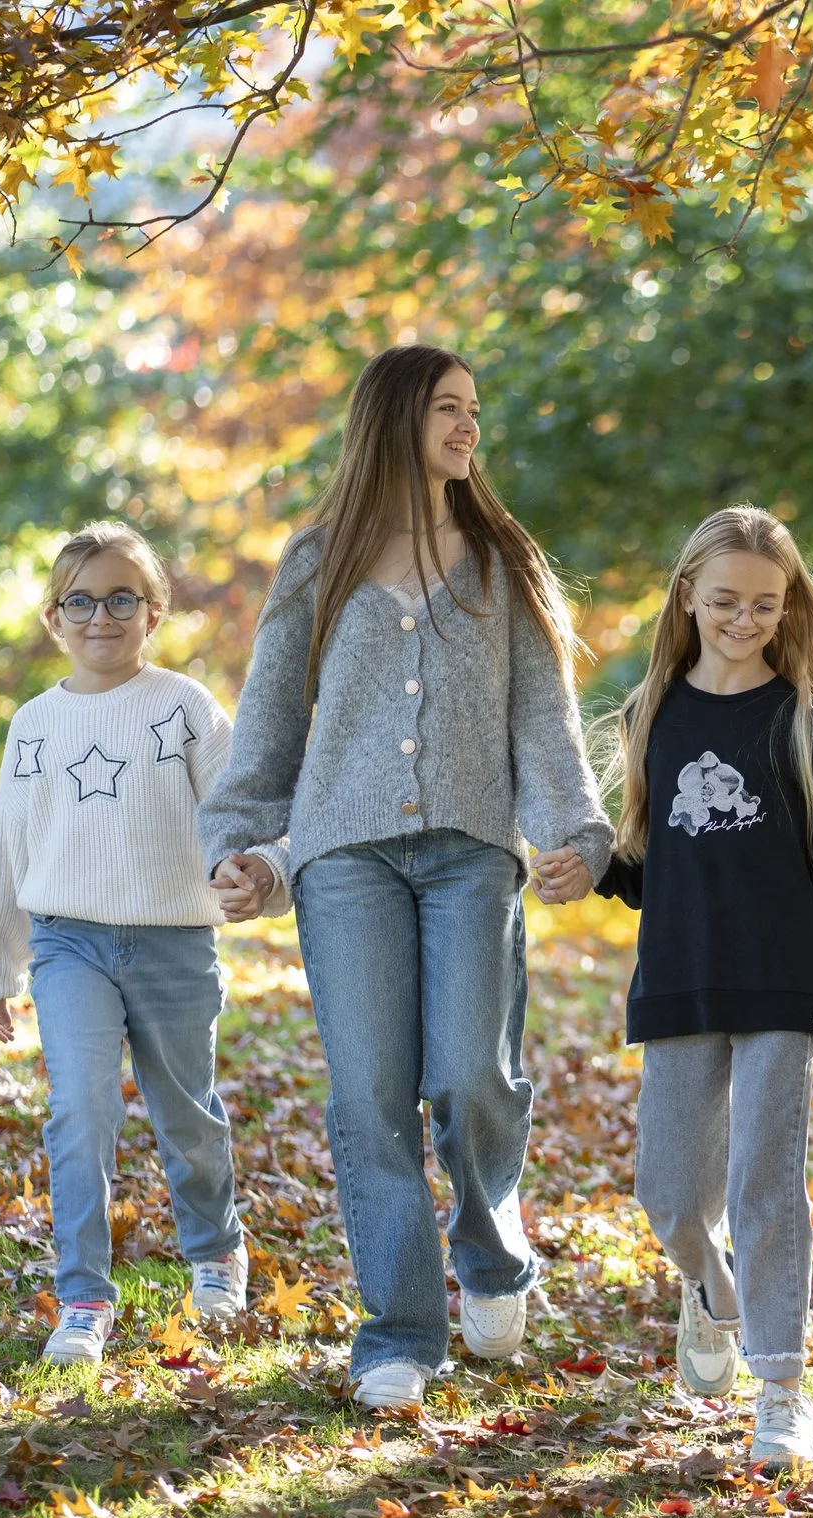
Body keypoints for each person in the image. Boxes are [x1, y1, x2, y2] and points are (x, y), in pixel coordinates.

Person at [200, 344, 610, 1413]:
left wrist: (576, 831)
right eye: (446, 408)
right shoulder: (317, 560)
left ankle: (490, 1251)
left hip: (473, 851)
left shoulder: (499, 560)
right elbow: (271, 722)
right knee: (369, 1097)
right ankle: (397, 1331)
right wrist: (239, 840)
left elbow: (543, 721)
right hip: (344, 861)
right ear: (393, 419)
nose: (469, 426)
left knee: (473, 1071)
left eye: (476, 408)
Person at [561, 505, 813, 1469]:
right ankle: (712, 1289)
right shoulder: (652, 715)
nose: (744, 619)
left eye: (765, 603)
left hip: (775, 991)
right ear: (687, 596)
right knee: (669, 1196)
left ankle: (782, 1388)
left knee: (766, 1184)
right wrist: (583, 866)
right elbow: (641, 867)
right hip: (676, 984)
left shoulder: (808, 725)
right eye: (724, 600)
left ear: (787, 603)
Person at [0, 522, 256, 1367]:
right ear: (55, 618)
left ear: (154, 611)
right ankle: (84, 1295)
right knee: (79, 1112)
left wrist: (253, 870)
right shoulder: (34, 724)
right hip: (68, 945)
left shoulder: (186, 708)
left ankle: (214, 1252)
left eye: (122, 598)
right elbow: (8, 844)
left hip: (174, 944)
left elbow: (241, 809)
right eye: (81, 601)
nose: (102, 616)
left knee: (185, 1114)